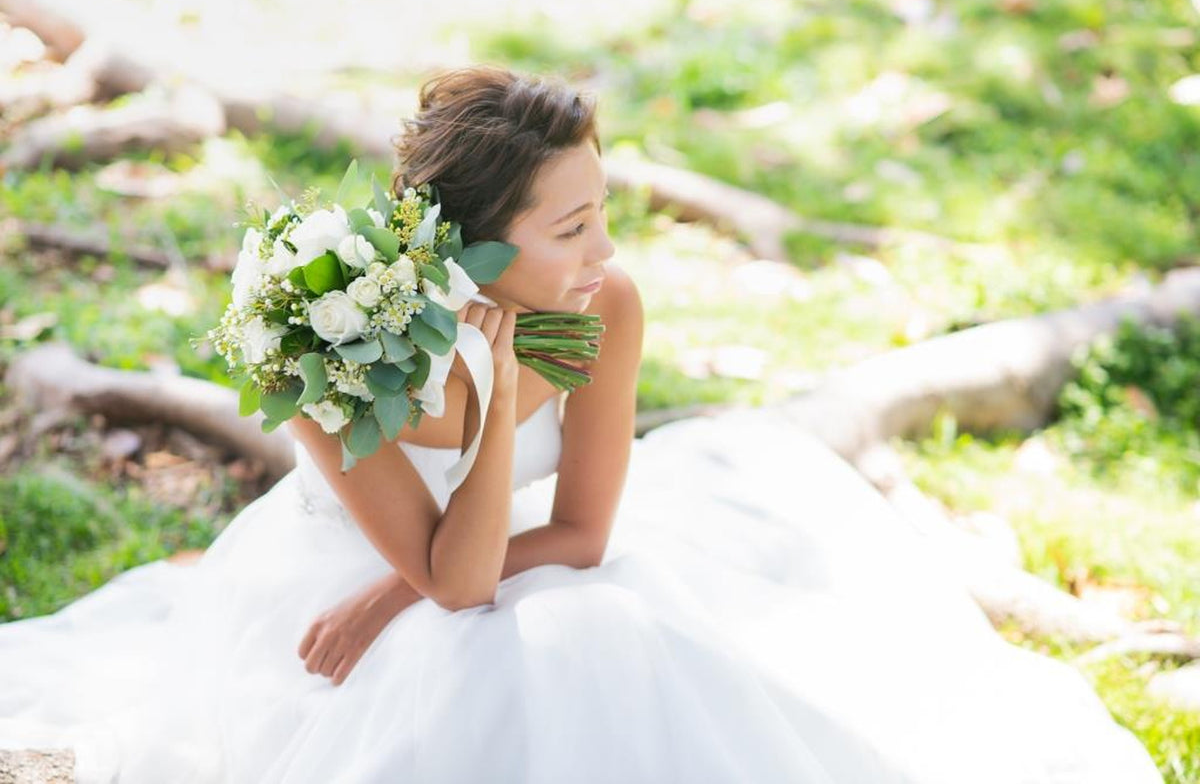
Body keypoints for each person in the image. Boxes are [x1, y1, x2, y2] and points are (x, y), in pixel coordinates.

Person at [0, 64, 1163, 784]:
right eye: (571, 228)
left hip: (480, 560)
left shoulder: (605, 307)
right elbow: (455, 580)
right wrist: (493, 412)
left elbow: (585, 533)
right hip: (341, 578)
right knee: (481, 667)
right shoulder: (330, 344)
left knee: (598, 638)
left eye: (602, 210)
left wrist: (396, 584)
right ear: (476, 248)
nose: (604, 253)